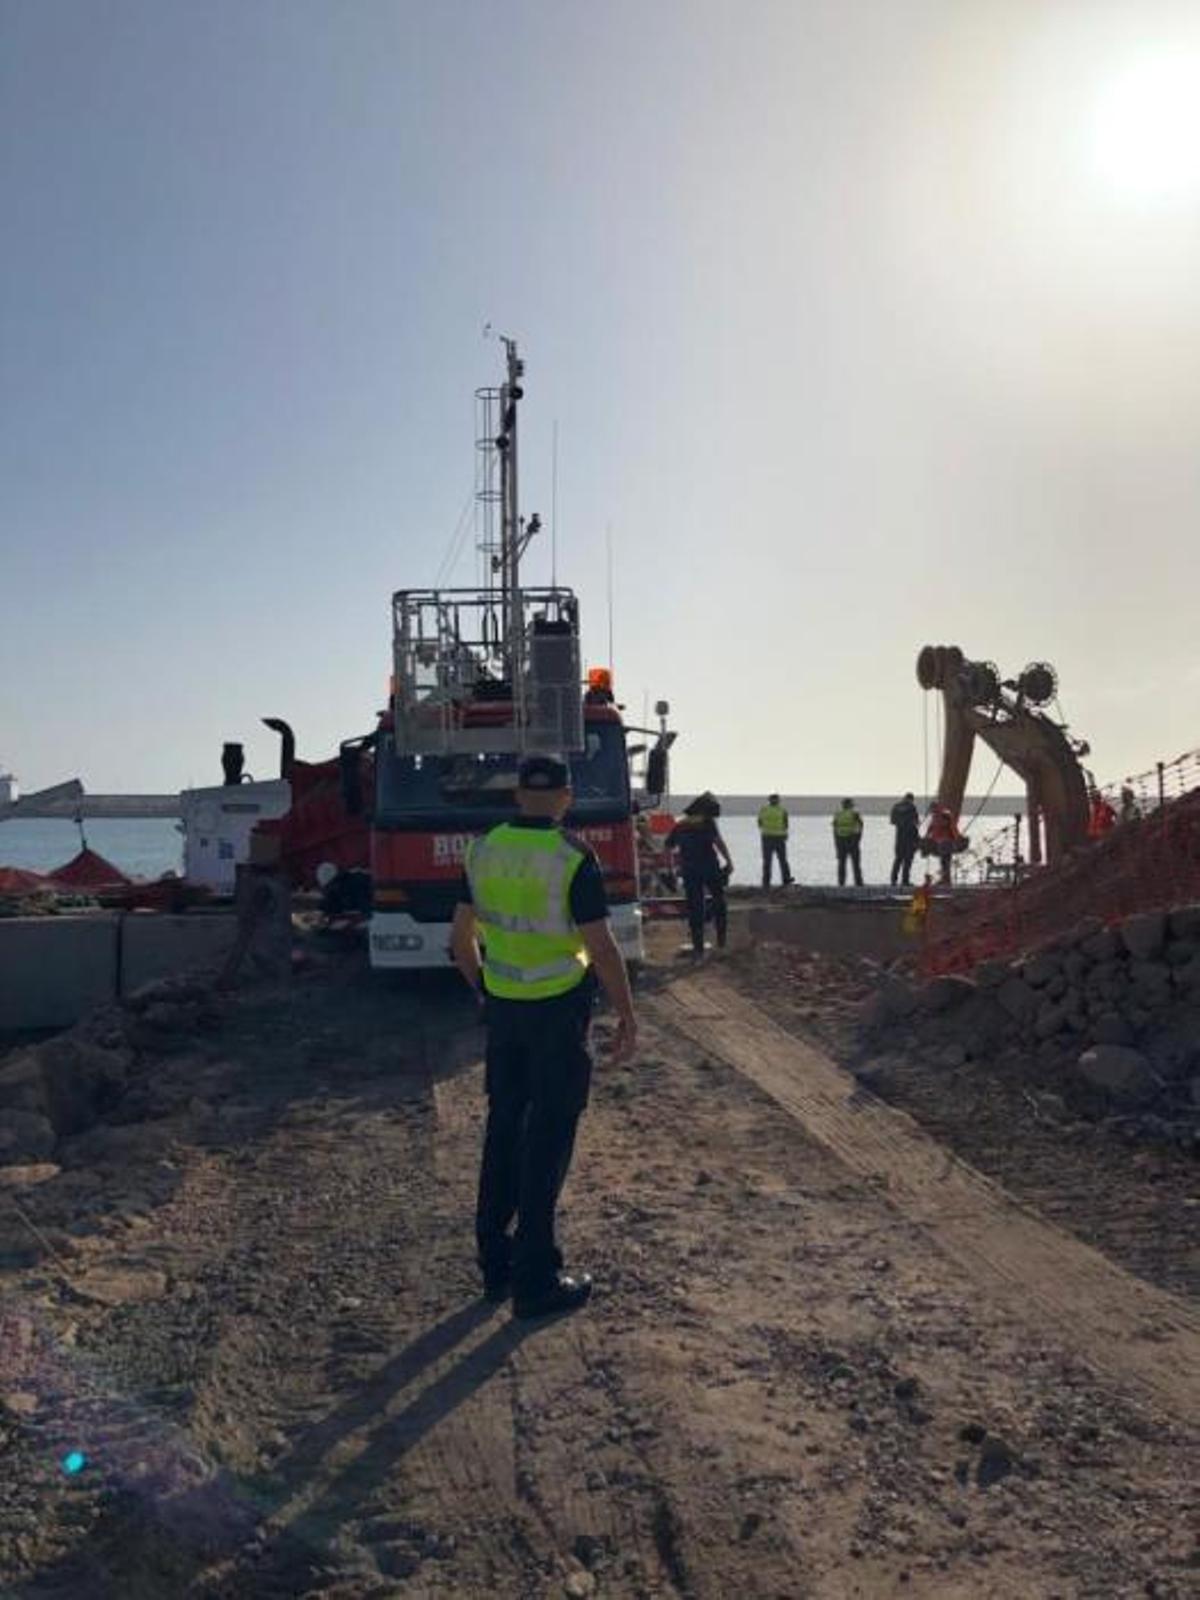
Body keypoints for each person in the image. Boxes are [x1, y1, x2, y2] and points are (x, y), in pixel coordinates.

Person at [450, 753, 637, 1320]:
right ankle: (535, 1280)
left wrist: (485, 990)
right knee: (548, 1140)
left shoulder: (482, 850)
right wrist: (627, 1014)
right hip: (557, 1013)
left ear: (516, 796)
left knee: (504, 1130)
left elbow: (460, 940)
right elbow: (601, 947)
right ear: (565, 797)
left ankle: (496, 1265)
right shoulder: (571, 857)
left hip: (504, 1011)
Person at [666, 792, 733, 955]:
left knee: (695, 908)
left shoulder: (680, 825)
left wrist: (671, 869)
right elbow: (719, 843)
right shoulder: (708, 823)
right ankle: (721, 943)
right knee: (719, 902)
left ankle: (698, 949)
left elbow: (668, 847)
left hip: (689, 871)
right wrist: (729, 861)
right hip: (710, 868)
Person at [757, 792, 793, 888]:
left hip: (770, 837)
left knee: (771, 861)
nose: (775, 801)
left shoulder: (764, 809)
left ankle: (768, 882)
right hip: (775, 837)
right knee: (779, 860)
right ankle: (783, 880)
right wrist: (784, 834)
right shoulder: (781, 810)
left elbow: (759, 823)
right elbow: (786, 824)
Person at [889, 791, 921, 887]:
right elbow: (916, 821)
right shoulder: (912, 807)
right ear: (911, 799)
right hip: (910, 837)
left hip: (899, 837)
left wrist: (901, 823)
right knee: (908, 860)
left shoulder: (896, 807)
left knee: (898, 859)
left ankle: (893, 880)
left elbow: (892, 821)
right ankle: (905, 881)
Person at [925, 801, 960, 885]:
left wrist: (956, 839)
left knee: (945, 861)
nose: (931, 811)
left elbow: (952, 827)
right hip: (940, 842)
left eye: (932, 809)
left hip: (946, 841)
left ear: (935, 808)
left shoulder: (944, 815)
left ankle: (946, 879)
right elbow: (931, 828)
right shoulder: (935, 817)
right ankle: (945, 879)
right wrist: (927, 836)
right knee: (943, 861)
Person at [832, 798, 864, 887]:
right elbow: (860, 827)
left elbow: (835, 830)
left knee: (842, 863)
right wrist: (857, 840)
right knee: (856, 864)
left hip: (840, 841)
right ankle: (858, 883)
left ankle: (841, 883)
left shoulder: (838, 815)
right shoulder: (855, 814)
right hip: (852, 840)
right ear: (850, 805)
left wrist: (836, 845)